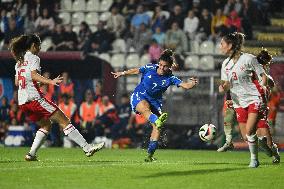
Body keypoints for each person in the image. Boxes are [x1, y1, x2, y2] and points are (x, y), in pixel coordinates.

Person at [10, 34, 104, 161]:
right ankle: (87, 148)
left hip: (23, 102)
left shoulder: (19, 62)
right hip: (35, 99)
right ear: (33, 46)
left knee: (46, 126)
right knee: (64, 121)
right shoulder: (34, 58)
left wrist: (42, 82)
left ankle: (31, 154)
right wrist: (50, 81)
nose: (39, 49)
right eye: (39, 46)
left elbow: (17, 82)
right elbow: (33, 75)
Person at [111, 49, 198, 162]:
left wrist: (192, 83)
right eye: (160, 65)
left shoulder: (170, 78)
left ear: (169, 67)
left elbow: (185, 85)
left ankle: (150, 155)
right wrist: (122, 73)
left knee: (157, 128)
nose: (161, 68)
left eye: (165, 66)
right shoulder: (151, 67)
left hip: (155, 102)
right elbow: (137, 70)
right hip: (139, 96)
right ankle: (156, 119)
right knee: (145, 107)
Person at [219, 32, 266, 168]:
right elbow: (225, 84)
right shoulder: (225, 64)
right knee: (246, 136)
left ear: (230, 45)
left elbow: (262, 75)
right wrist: (223, 87)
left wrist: (263, 89)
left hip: (253, 98)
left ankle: (254, 160)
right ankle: (265, 145)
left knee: (250, 130)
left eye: (222, 44)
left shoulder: (248, 59)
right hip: (238, 102)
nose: (220, 46)